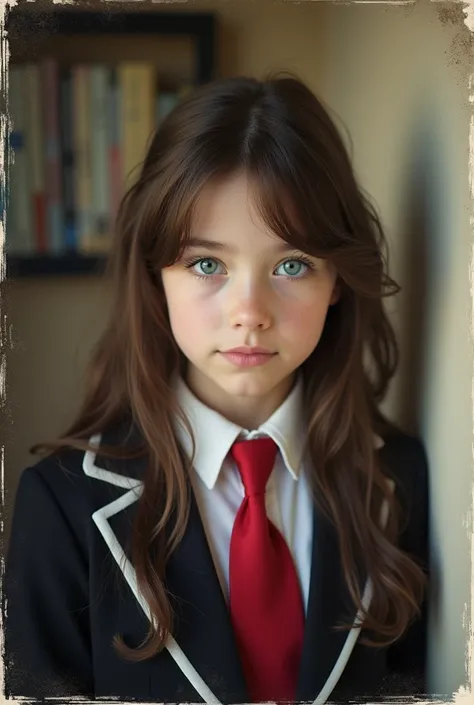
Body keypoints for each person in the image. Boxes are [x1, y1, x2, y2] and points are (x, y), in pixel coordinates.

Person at [4, 73, 430, 705]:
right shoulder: (61, 506)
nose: (249, 311)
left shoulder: (398, 480)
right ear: (157, 277)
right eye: (208, 264)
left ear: (337, 280)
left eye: (292, 265)